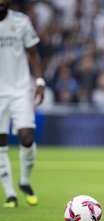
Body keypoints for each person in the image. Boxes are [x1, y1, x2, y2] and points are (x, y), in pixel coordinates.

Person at [0, 0, 45, 208]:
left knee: (26, 137)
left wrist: (39, 80)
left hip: (19, 90)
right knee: (1, 144)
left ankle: (24, 181)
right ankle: (10, 193)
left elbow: (33, 54)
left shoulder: (21, 21)